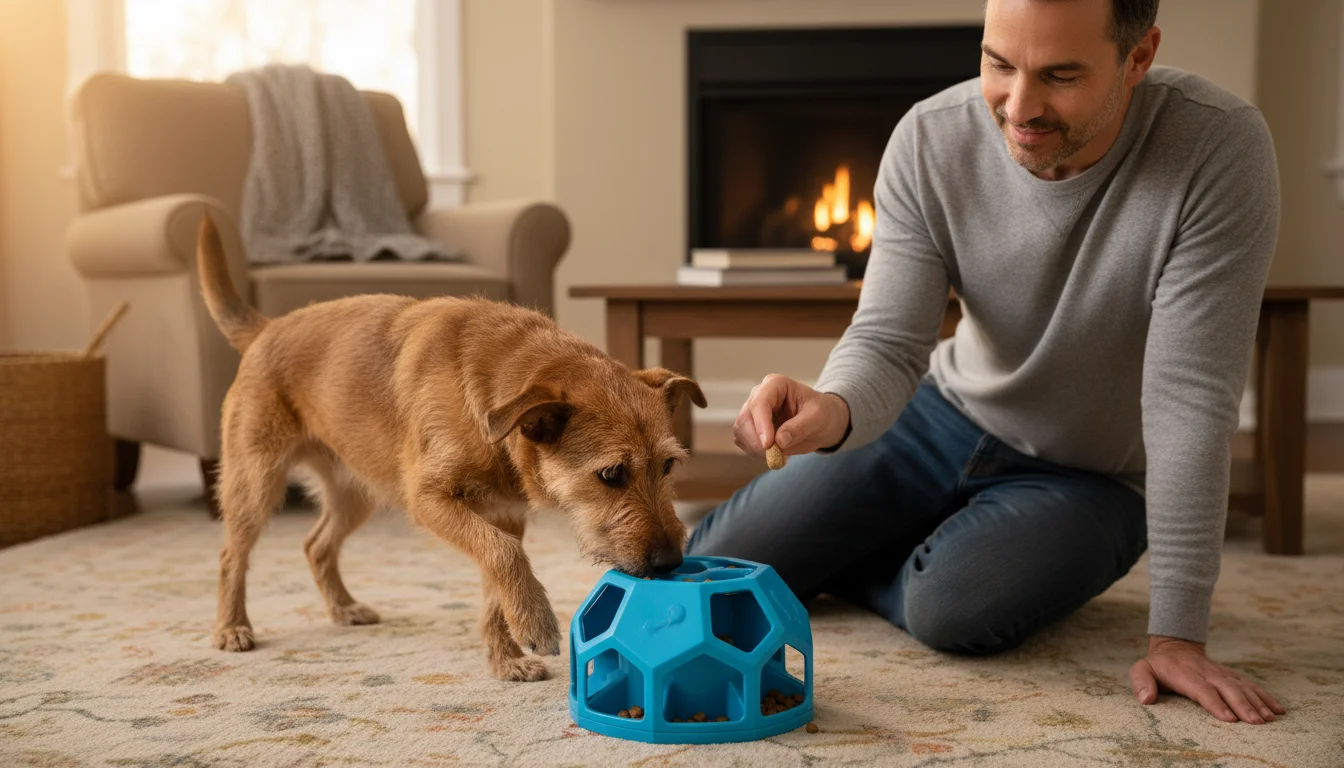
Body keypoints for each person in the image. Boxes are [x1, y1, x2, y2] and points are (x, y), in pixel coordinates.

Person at [685, 0, 1287, 725]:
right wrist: (834, 407)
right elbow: (887, 337)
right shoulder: (931, 137)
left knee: (953, 612)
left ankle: (897, 557)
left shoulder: (1217, 147)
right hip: (941, 413)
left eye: (1060, 75)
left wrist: (1178, 637)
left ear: (1138, 56)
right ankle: (903, 546)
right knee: (717, 567)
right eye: (998, 64)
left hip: (1093, 475)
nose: (1019, 106)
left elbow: (1188, 401)